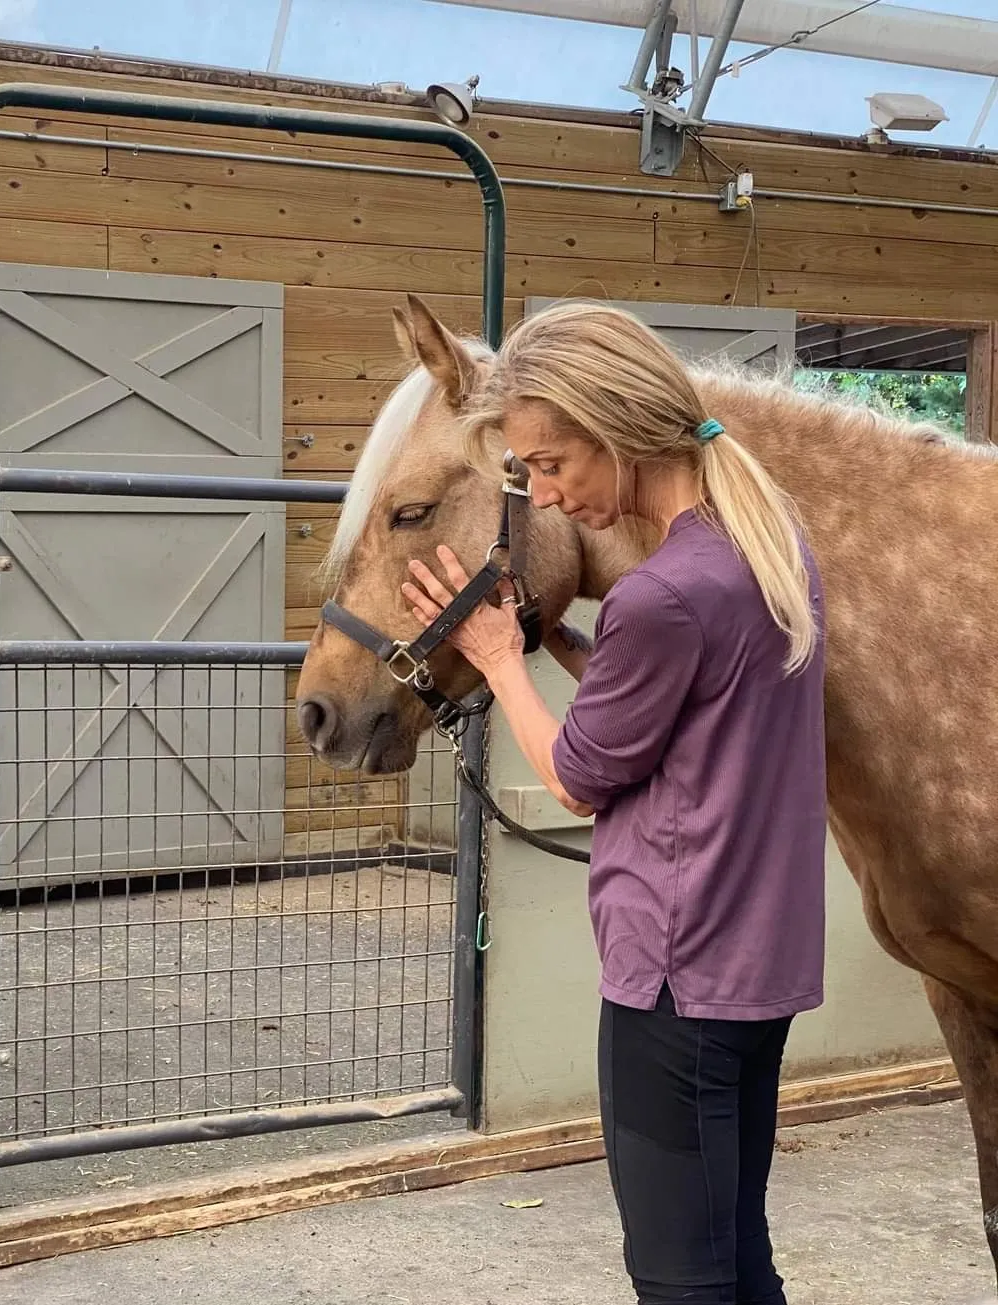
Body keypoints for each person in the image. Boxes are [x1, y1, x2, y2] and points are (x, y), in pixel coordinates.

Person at [401, 300, 827, 1305]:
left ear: (623, 428)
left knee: (679, 1277)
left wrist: (500, 659)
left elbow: (582, 778)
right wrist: (550, 637)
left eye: (553, 464)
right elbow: (676, 726)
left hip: (675, 981)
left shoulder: (661, 594)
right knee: (737, 1253)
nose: (546, 493)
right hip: (750, 970)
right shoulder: (764, 549)